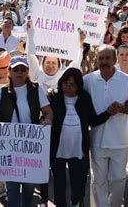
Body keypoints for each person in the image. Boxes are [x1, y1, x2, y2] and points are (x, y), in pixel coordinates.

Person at [0, 55, 53, 207]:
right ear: (9, 71)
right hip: (9, 146)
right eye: (16, 69)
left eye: (23, 69)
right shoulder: (1, 92)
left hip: (30, 146)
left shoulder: (37, 89)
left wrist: (47, 119)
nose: (20, 72)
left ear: (28, 71)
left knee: (29, 188)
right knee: (12, 188)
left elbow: (48, 111)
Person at [83, 46, 128, 207]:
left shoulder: (127, 80)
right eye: (101, 59)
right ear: (96, 61)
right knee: (98, 182)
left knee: (118, 180)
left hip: (121, 142)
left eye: (108, 58)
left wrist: (122, 108)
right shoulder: (88, 81)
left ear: (115, 60)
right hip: (97, 141)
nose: (104, 62)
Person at [49, 68, 113, 207]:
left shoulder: (84, 98)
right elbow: (47, 117)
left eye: (72, 84)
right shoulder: (54, 98)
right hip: (57, 149)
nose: (67, 87)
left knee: (78, 182)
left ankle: (76, 202)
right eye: (65, 83)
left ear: (78, 85)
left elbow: (93, 120)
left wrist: (108, 113)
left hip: (79, 148)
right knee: (59, 183)